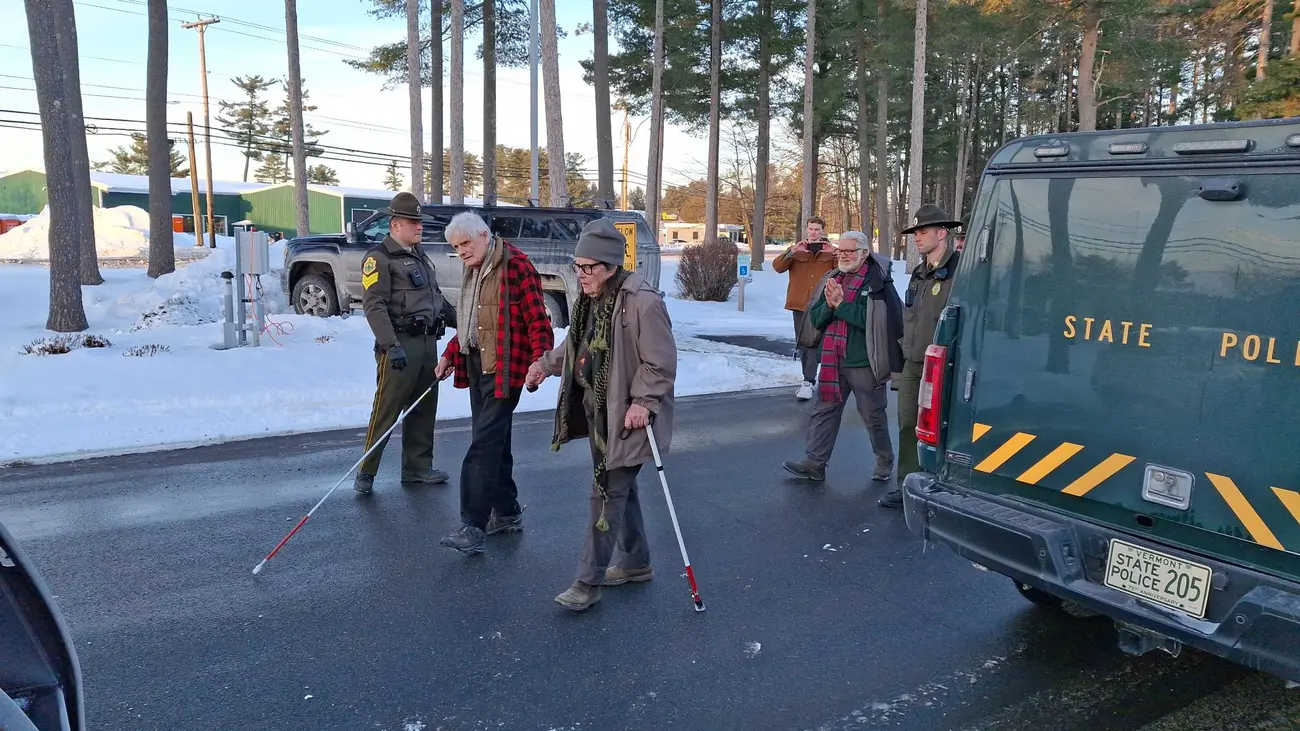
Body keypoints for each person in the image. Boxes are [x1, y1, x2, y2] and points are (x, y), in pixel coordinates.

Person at [526, 217, 677, 612]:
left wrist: (643, 402)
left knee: (606, 494)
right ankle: (636, 562)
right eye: (578, 266)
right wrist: (546, 363)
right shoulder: (592, 299)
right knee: (619, 493)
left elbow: (659, 363)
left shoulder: (643, 301)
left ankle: (586, 582)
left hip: (628, 418)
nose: (581, 274)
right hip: (598, 414)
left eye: (588, 268)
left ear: (611, 266)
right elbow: (578, 346)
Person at [434, 212, 555, 555]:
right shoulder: (474, 268)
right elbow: (470, 323)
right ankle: (506, 512)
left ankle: (473, 523)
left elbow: (537, 318)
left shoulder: (516, 265)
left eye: (466, 243)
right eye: (456, 247)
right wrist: (450, 354)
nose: (461, 251)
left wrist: (541, 360)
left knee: (483, 445)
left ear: (485, 236)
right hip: (476, 365)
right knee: (494, 443)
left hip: (506, 368)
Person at [353, 191, 457, 495]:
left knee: (423, 407)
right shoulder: (379, 258)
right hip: (400, 344)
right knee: (386, 409)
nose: (419, 227)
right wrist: (390, 345)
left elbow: (434, 298)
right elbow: (374, 306)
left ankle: (417, 468)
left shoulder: (418, 255)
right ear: (395, 224)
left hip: (427, 343)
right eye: (413, 222)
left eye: (420, 222)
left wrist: (460, 320)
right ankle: (366, 472)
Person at [781, 231, 903, 485]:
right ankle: (815, 463)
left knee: (873, 415)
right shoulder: (832, 278)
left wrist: (840, 306)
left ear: (864, 253)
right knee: (823, 411)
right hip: (833, 360)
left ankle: (884, 459)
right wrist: (829, 305)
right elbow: (814, 319)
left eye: (850, 251)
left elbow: (875, 323)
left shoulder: (877, 284)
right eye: (841, 251)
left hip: (864, 362)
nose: (844, 255)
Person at [879, 203, 963, 509]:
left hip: (944, 365)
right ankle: (907, 486)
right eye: (915, 232)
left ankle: (943, 487)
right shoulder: (919, 272)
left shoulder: (960, 272)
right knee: (907, 424)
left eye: (922, 231)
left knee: (944, 428)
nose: (916, 237)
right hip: (915, 363)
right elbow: (911, 316)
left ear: (942, 233)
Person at [772, 216, 837, 401]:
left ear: (823, 231)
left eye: (817, 229)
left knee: (816, 342)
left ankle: (810, 380)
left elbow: (842, 270)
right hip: (799, 304)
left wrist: (835, 252)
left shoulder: (830, 253)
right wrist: (792, 251)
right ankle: (808, 380)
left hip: (821, 305)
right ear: (806, 230)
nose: (814, 232)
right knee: (803, 343)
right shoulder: (796, 251)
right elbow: (777, 267)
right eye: (811, 229)